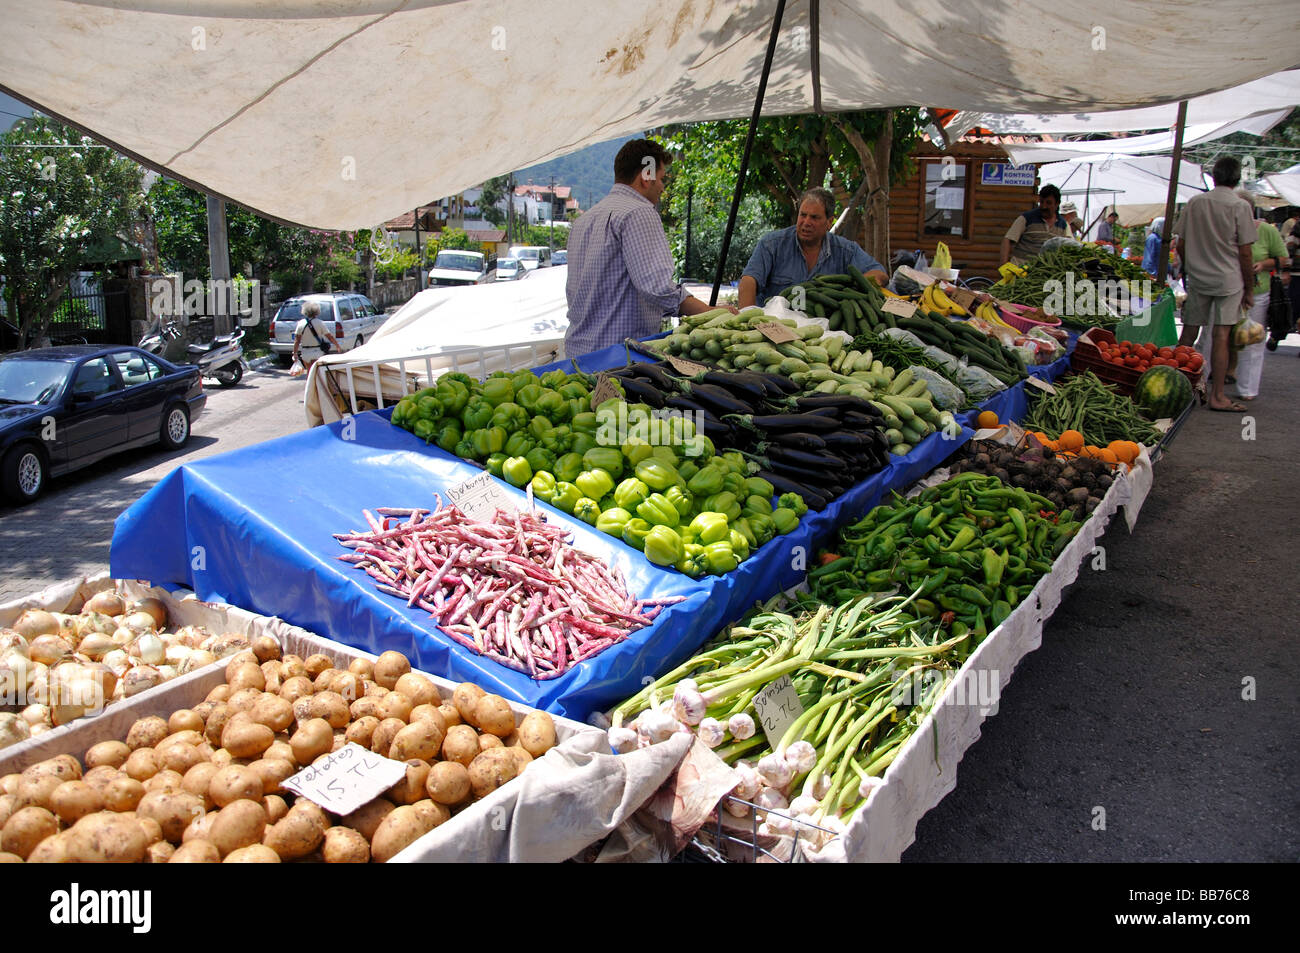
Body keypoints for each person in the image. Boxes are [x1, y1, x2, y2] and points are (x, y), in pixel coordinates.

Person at [564, 139, 730, 357]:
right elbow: (658, 289)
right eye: (661, 179)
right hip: (617, 358)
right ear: (646, 176)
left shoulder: (585, 220)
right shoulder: (639, 212)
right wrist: (710, 313)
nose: (662, 187)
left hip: (578, 353)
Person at [1172, 155, 1257, 412]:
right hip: (1229, 281)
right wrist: (1249, 288)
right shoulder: (1240, 207)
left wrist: (1188, 269)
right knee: (1222, 337)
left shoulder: (1195, 203)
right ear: (1237, 178)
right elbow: (1245, 253)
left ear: (1214, 176)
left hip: (1198, 278)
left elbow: (1182, 243)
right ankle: (1218, 396)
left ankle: (1176, 387)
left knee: (1188, 333)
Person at [737, 188, 886, 308]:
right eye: (803, 215)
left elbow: (880, 274)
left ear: (829, 222)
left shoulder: (846, 251)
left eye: (814, 217)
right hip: (774, 327)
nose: (806, 222)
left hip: (823, 332)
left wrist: (853, 287)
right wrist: (747, 320)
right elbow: (749, 280)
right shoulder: (772, 244)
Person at [1225, 190, 1288, 399]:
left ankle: (1247, 389)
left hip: (1258, 291)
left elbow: (1282, 258)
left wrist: (1263, 264)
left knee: (1252, 340)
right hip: (1227, 290)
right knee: (1217, 337)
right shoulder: (1224, 228)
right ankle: (1207, 383)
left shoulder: (1267, 231)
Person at [1001, 184, 1069, 264]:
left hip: (1044, 272)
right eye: (1041, 202)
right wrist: (1003, 267)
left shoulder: (1063, 225)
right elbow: (1008, 239)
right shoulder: (1027, 218)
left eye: (1048, 203)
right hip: (1020, 270)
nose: (1044, 206)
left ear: (1057, 204)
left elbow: (1070, 248)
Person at [291, 299, 339, 372]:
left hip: (305, 352)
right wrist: (337, 346)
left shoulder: (301, 323)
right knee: (317, 373)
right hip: (317, 352)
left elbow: (297, 341)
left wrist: (295, 353)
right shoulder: (319, 323)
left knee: (309, 373)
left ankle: (308, 383)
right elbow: (329, 336)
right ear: (317, 311)